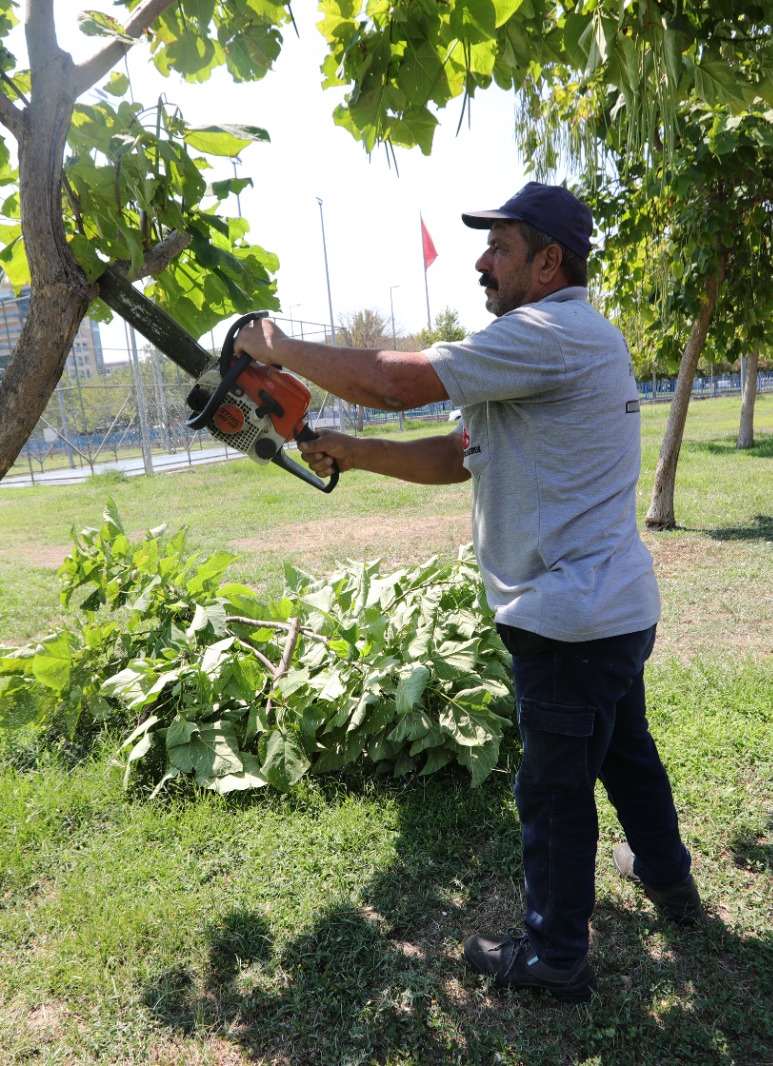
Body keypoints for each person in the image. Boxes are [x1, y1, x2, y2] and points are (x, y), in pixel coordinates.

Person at [233, 182, 699, 1004]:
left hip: (568, 620)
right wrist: (353, 449)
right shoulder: (563, 343)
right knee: (627, 755)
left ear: (549, 263)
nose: (482, 264)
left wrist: (277, 346)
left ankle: (555, 956)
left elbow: (395, 380)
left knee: (553, 794)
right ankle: (668, 878)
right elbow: (460, 453)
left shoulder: (548, 331)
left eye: (501, 249)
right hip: (612, 609)